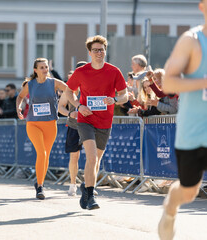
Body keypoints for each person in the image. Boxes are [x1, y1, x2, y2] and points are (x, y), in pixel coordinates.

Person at [158, 1, 207, 239]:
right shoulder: (192, 41)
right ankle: (170, 207)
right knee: (189, 192)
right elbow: (168, 83)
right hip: (194, 133)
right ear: (202, 6)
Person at [64, 35, 128, 210]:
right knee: (91, 156)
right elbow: (69, 92)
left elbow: (125, 95)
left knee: (97, 159)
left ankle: (86, 186)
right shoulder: (81, 72)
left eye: (102, 50)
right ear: (89, 52)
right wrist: (78, 106)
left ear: (105, 51)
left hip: (105, 121)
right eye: (95, 50)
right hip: (85, 119)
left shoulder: (114, 71)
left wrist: (114, 99)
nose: (99, 53)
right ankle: (91, 196)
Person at [16, 58, 68, 200]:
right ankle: (40, 186)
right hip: (33, 124)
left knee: (46, 156)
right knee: (41, 152)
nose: (45, 69)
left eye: (46, 67)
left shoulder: (54, 83)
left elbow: (70, 89)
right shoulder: (30, 85)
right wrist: (18, 108)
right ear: (35, 70)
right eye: (42, 67)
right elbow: (20, 96)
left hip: (50, 124)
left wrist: (75, 98)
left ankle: (40, 181)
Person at [58, 61, 87, 196]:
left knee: (92, 156)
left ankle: (89, 185)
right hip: (74, 125)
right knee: (74, 156)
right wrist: (70, 113)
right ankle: (73, 184)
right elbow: (60, 107)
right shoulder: (70, 88)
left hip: (89, 125)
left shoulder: (92, 86)